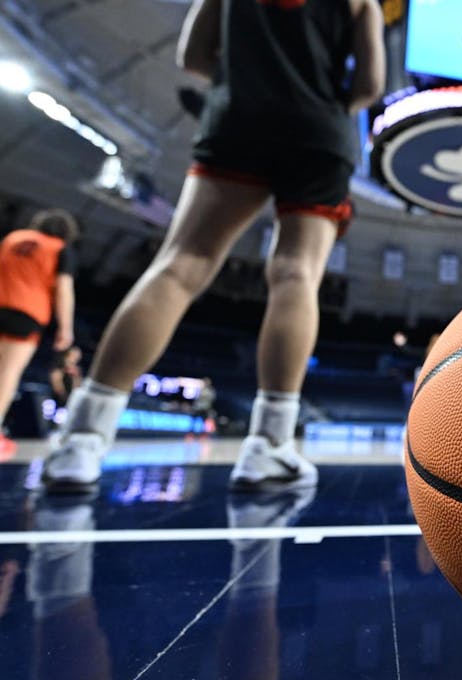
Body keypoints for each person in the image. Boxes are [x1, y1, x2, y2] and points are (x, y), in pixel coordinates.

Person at [43, 0, 386, 490]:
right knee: (296, 275)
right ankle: (268, 448)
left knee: (180, 265)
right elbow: (370, 87)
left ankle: (81, 440)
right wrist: (319, 98)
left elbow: (194, 56)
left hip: (237, 118)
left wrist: (247, 80)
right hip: (318, 131)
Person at [0, 209, 79, 456]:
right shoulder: (59, 248)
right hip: (27, 314)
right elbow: (64, 289)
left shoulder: (12, 238)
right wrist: (65, 327)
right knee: (7, 372)